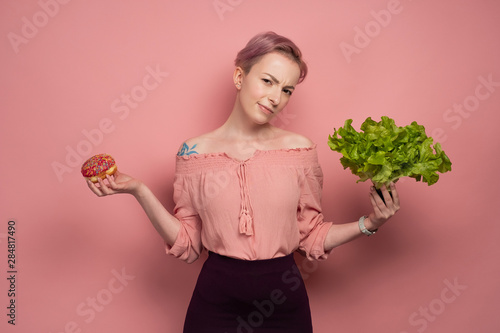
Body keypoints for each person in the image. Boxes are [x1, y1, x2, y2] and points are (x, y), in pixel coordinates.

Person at [86, 31, 400, 333]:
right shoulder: (194, 152)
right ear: (240, 77)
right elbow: (188, 243)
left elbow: (311, 235)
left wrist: (370, 222)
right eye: (268, 81)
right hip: (215, 303)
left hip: (283, 304)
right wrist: (138, 190)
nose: (276, 97)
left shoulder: (299, 150)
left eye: (287, 89)